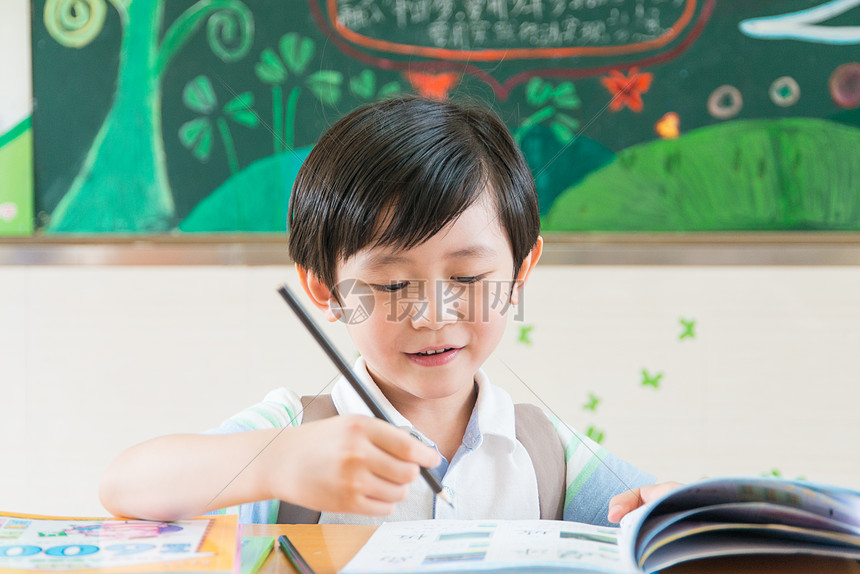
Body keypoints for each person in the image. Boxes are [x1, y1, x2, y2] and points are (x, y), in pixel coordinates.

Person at [99, 95, 676, 525]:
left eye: (469, 276)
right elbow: (125, 486)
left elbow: (659, 517)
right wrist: (277, 461)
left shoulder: (547, 450)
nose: (433, 313)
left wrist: (678, 514)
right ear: (326, 289)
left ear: (520, 272)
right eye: (394, 283)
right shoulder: (299, 433)